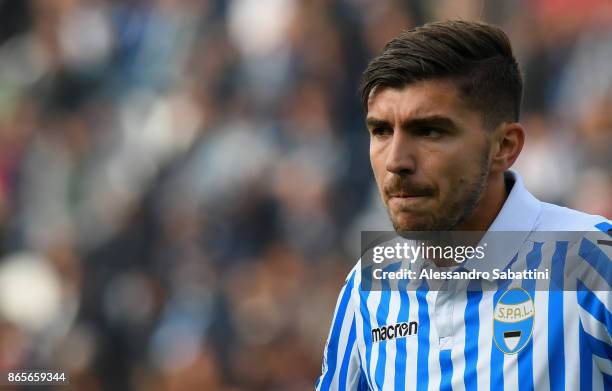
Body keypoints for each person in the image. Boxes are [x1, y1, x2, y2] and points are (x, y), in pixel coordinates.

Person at [316, 20, 611, 390]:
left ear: (504, 146)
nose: (396, 160)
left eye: (429, 131)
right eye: (381, 131)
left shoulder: (593, 264)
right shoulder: (370, 285)